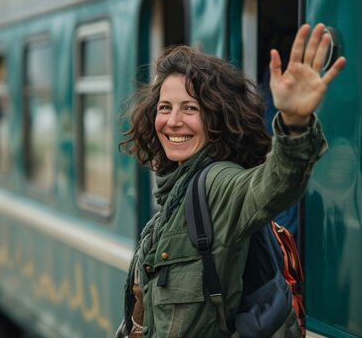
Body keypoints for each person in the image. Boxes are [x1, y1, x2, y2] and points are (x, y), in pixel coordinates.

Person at [116, 23, 345, 337]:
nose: (173, 121)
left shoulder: (218, 183)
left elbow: (273, 186)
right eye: (165, 107)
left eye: (190, 109)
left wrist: (294, 123)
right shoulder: (175, 192)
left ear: (216, 117)